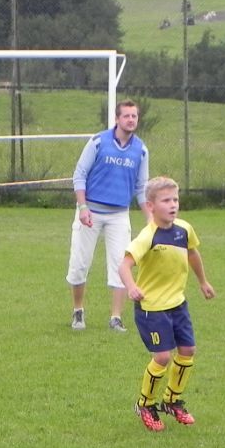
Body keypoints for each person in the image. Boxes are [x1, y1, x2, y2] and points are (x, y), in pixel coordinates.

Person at [119, 176, 215, 432]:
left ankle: (172, 400)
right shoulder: (147, 236)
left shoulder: (184, 229)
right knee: (162, 356)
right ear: (151, 206)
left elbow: (192, 253)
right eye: (166, 200)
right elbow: (124, 265)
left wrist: (203, 282)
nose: (173, 205)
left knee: (188, 350)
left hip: (177, 304)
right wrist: (131, 287)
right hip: (151, 308)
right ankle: (145, 404)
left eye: (175, 199)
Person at [67, 100, 150, 333]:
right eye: (126, 116)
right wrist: (83, 207)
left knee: (120, 266)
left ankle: (116, 317)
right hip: (90, 212)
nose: (131, 120)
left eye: (134, 116)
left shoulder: (141, 150)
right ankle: (78, 310)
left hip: (119, 215)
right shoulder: (98, 142)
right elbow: (79, 175)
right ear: (117, 118)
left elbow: (142, 187)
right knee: (79, 264)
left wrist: (150, 219)